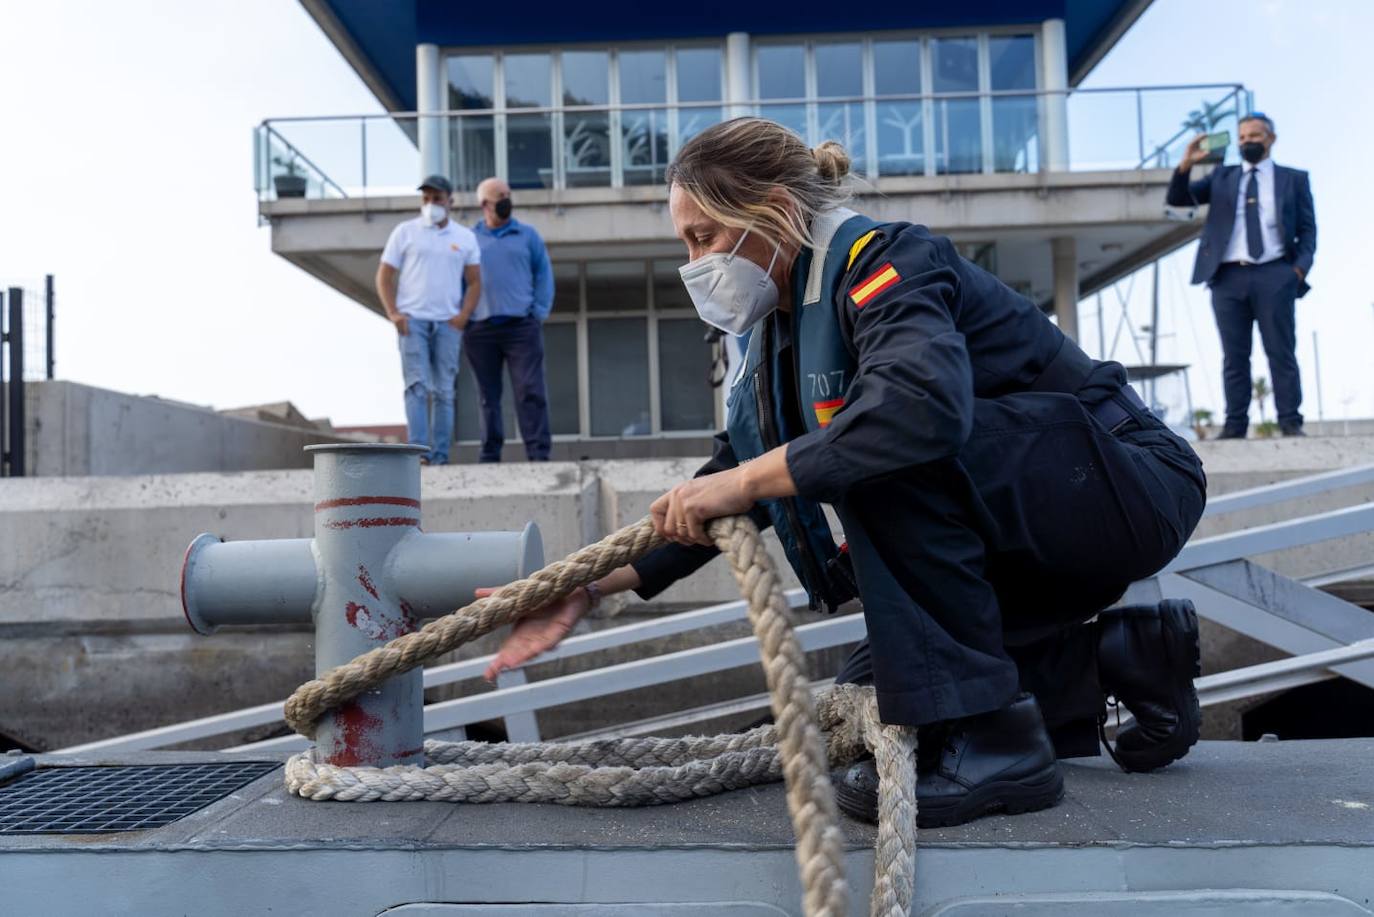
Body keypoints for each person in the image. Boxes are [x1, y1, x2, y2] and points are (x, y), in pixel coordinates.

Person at [485, 118, 1208, 828]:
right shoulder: (778, 335)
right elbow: (733, 471)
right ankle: (1121, 658)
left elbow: (917, 410)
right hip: (1034, 518)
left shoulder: (886, 261)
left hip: (1131, 481)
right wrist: (593, 583)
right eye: (684, 242)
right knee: (883, 688)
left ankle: (996, 741)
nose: (694, 260)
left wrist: (743, 483)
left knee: (879, 450)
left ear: (773, 210)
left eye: (703, 235)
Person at [1167, 112, 1317, 438]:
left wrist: (1298, 270)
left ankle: (1290, 421)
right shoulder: (1223, 177)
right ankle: (1235, 426)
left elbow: (1308, 230)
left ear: (1271, 139)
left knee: (1281, 351)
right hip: (1227, 277)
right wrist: (1186, 163)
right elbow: (1178, 199)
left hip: (1276, 273)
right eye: (1243, 137)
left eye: (1255, 136)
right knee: (1234, 356)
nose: (1248, 142)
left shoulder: (1294, 179)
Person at [375, 174, 482, 465]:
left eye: (436, 198)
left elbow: (474, 282)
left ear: (450, 201)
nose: (431, 204)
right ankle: (418, 454)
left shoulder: (465, 238)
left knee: (445, 391)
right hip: (414, 322)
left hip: (448, 323)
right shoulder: (405, 232)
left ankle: (441, 455)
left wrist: (462, 317)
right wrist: (393, 314)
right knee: (417, 387)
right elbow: (384, 276)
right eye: (426, 198)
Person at [464, 177, 555, 462]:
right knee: (487, 397)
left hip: (521, 328)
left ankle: (538, 454)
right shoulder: (468, 239)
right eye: (500, 195)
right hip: (479, 330)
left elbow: (544, 275)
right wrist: (463, 317)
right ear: (484, 204)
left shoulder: (528, 236)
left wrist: (537, 312)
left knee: (530, 391)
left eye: (508, 194)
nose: (506, 199)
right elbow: (456, 280)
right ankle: (490, 455)